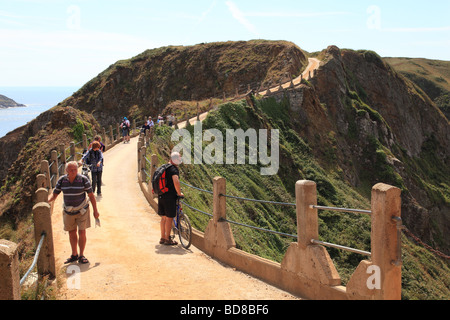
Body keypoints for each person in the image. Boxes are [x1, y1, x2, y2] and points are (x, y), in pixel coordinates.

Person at [48, 161, 100, 265]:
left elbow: (91, 196)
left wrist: (95, 211)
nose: (73, 171)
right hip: (68, 211)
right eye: (71, 170)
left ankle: (81, 255)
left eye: (75, 169)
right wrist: (45, 201)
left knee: (82, 232)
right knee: (72, 233)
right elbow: (54, 195)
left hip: (82, 211)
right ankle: (74, 254)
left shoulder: (83, 180)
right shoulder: (62, 180)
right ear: (66, 170)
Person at [158, 152, 184, 246]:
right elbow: (176, 181)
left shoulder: (165, 167)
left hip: (161, 194)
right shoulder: (173, 169)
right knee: (169, 218)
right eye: (179, 158)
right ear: (175, 159)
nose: (180, 160)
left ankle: (162, 237)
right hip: (169, 196)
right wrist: (179, 193)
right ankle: (167, 239)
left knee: (164, 218)